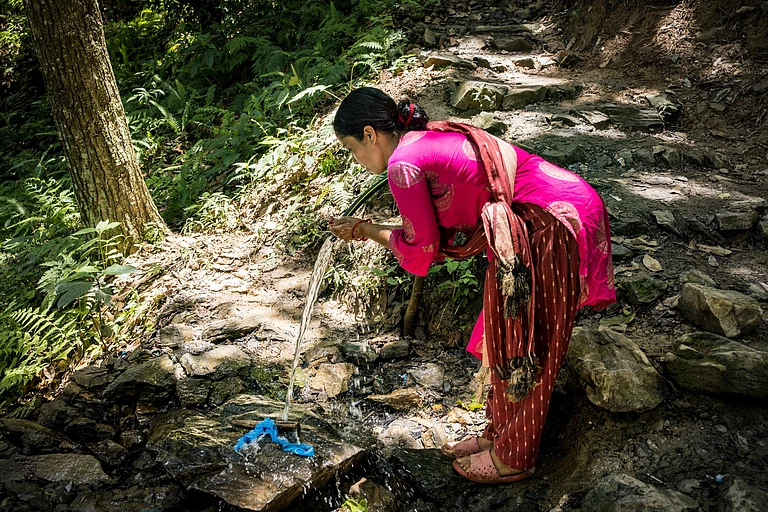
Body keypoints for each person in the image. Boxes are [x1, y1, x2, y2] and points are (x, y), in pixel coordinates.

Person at [329, 87, 616, 484]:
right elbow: (427, 230)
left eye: (351, 148)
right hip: (537, 217)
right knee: (506, 334)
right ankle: (497, 435)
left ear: (370, 134)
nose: (356, 160)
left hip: (550, 222)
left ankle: (515, 457)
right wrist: (368, 229)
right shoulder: (421, 142)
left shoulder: (402, 165)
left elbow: (422, 249)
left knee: (531, 340)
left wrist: (366, 230)